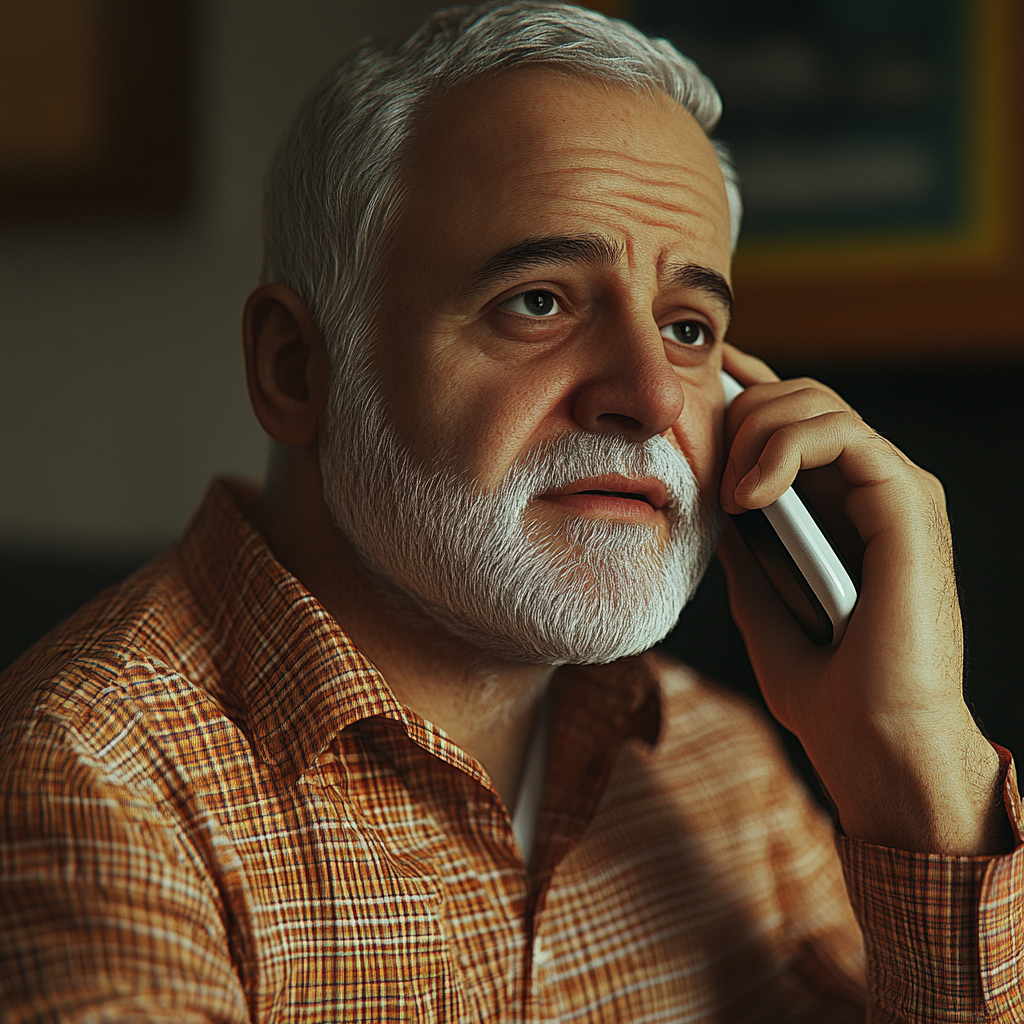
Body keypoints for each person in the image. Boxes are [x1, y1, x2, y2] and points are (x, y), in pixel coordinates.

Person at [1, 3, 1021, 1020]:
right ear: (295, 368)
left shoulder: (715, 764)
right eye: (539, 301)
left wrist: (917, 763)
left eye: (686, 326)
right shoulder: (89, 780)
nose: (653, 398)